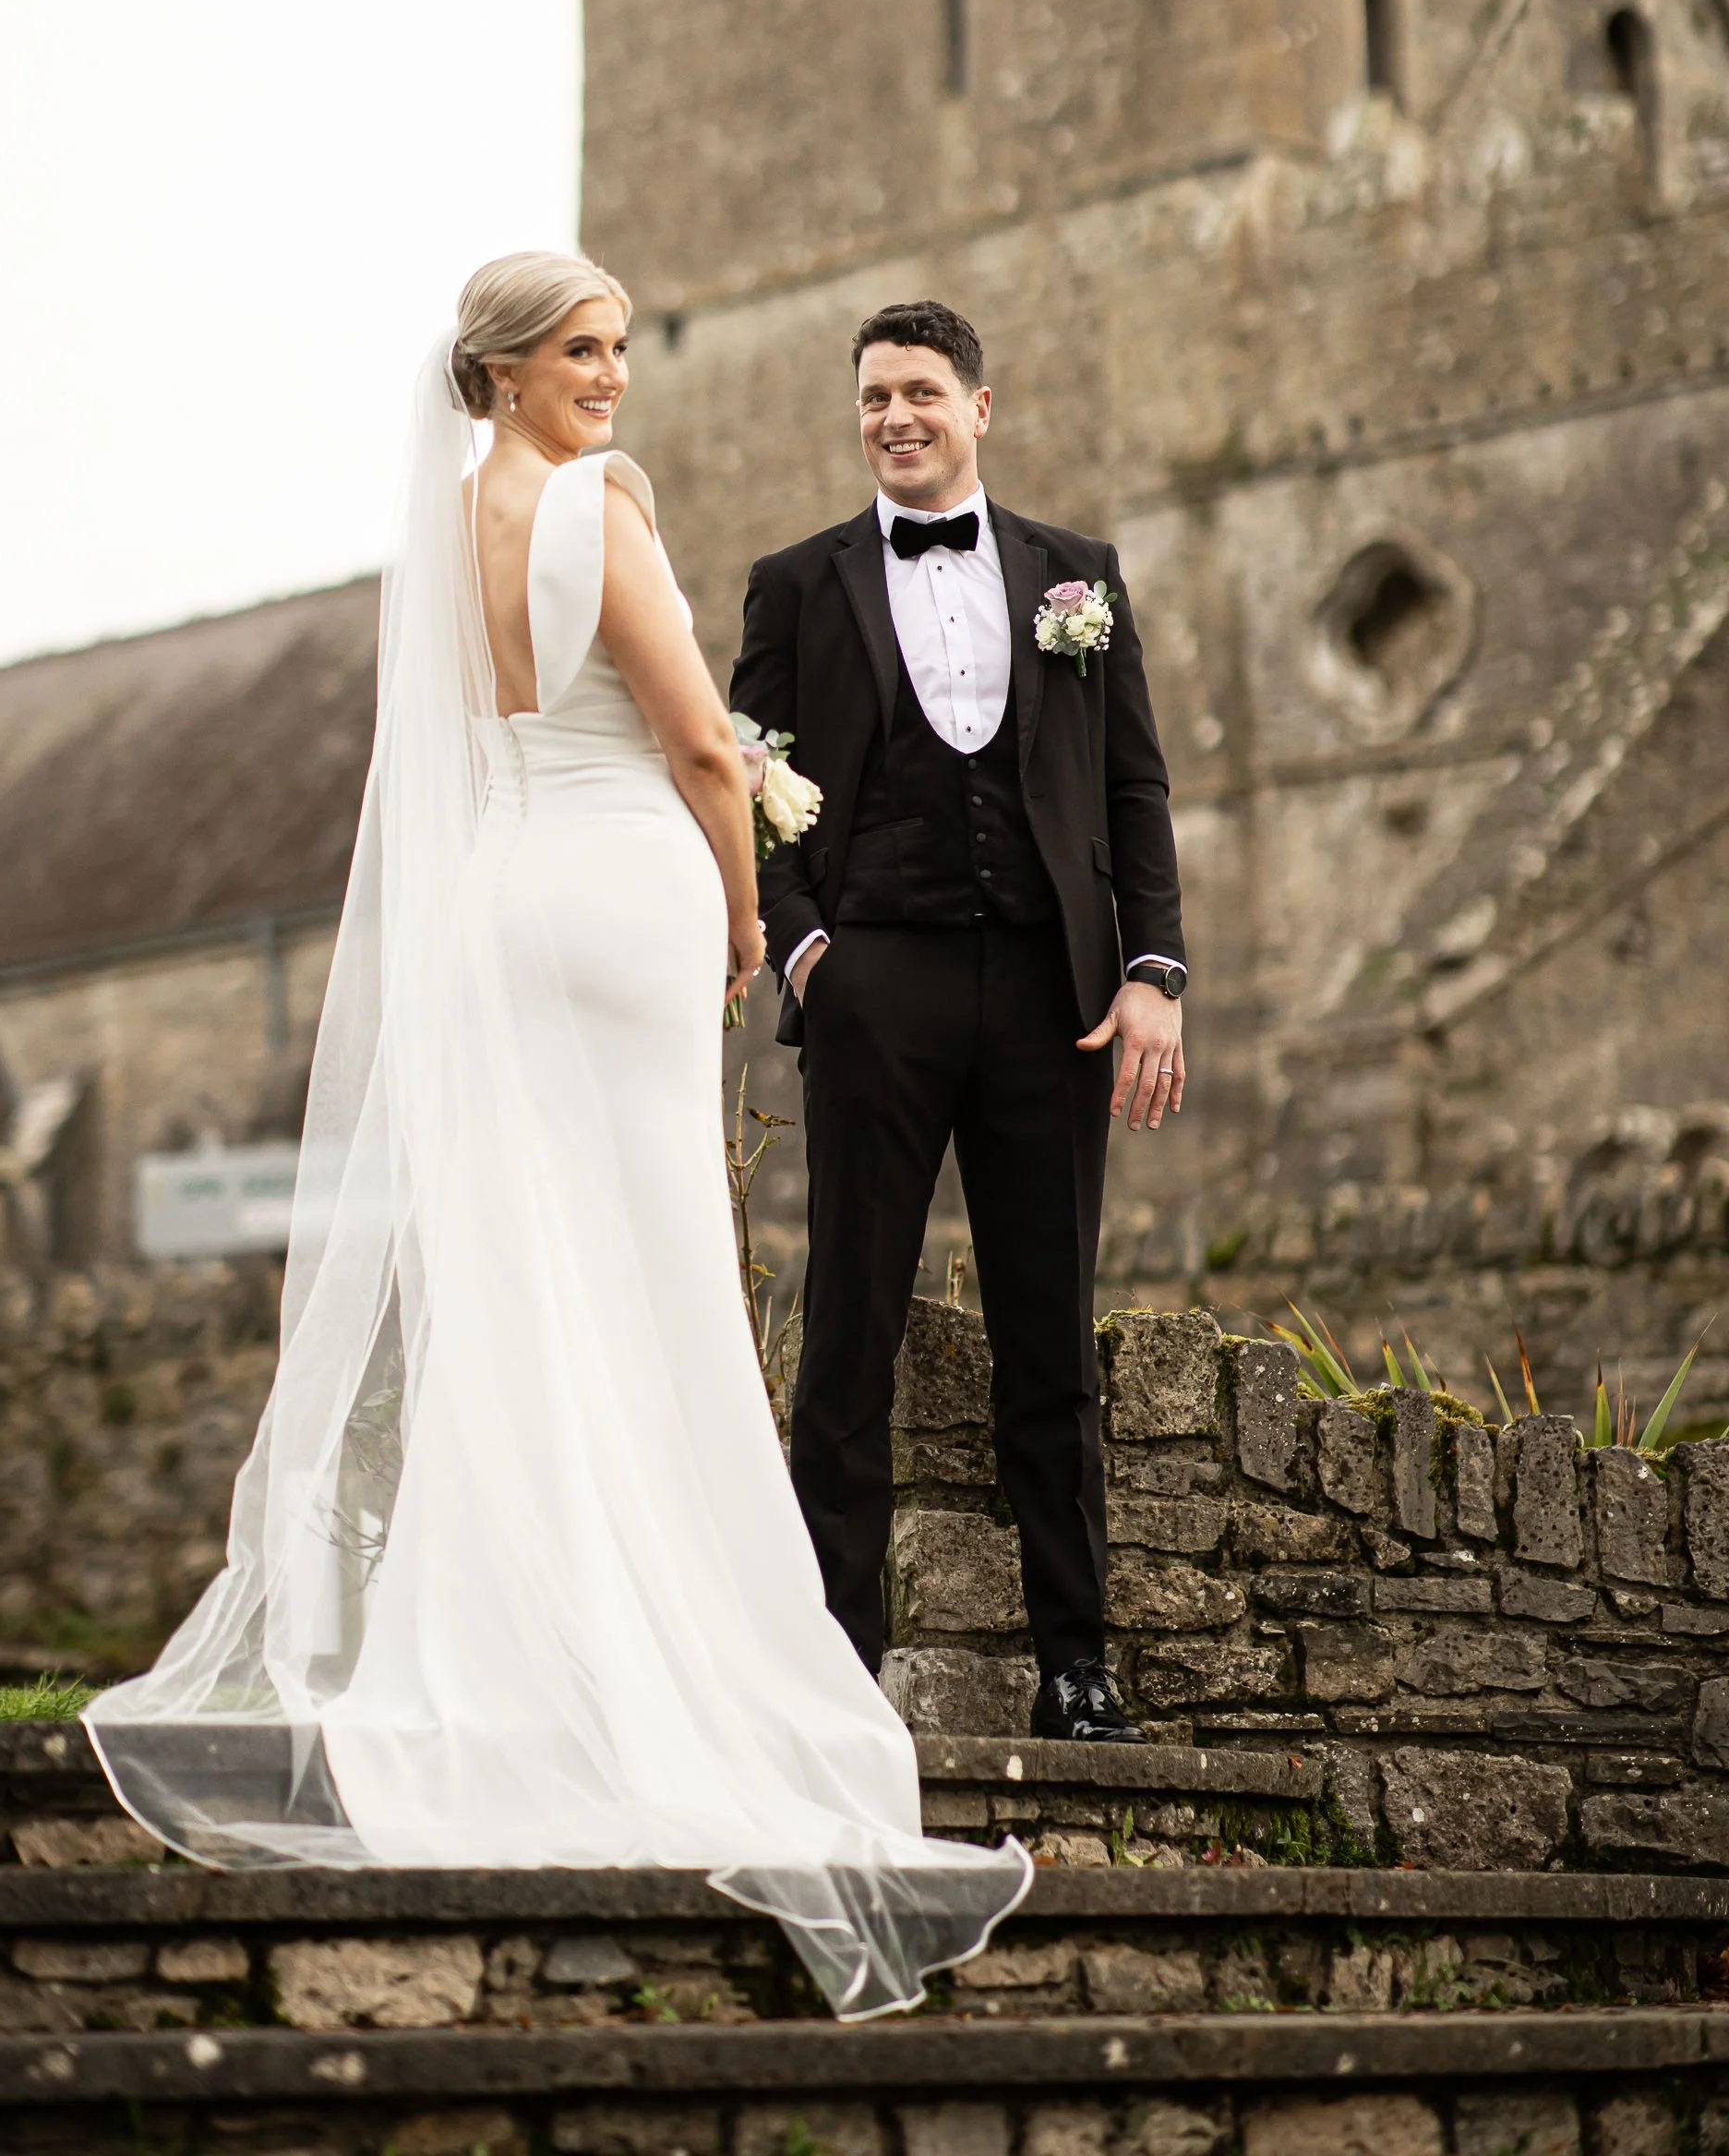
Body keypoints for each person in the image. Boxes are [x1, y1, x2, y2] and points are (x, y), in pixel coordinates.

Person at [86, 254, 1029, 2018]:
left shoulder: (442, 533)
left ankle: (513, 1641)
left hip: (503, 900)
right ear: (509, 369)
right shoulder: (600, 502)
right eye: (582, 352)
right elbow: (690, 740)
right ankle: (673, 1657)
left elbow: (455, 743)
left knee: (528, 1278)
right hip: (619, 900)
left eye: (613, 349)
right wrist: (748, 910)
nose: (612, 376)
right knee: (655, 1268)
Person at [729, 300, 1187, 1744]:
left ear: (980, 406)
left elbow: (1134, 790)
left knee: (1048, 1331)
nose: (894, 417)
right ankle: (835, 1671)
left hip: (1055, 999)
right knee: (849, 1327)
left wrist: (1153, 973)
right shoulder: (796, 585)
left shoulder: (1079, 576)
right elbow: (757, 774)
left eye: (921, 391)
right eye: (872, 397)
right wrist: (806, 949)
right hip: (878, 989)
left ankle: (1077, 1664)